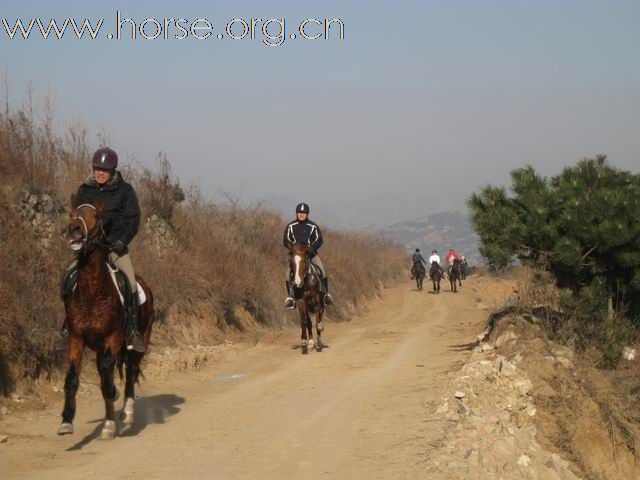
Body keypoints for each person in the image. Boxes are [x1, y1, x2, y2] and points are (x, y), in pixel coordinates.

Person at [62, 147, 145, 353]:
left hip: (115, 248)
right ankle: (68, 323)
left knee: (131, 285)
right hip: (89, 250)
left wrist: (121, 241)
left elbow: (133, 220)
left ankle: (133, 331)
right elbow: (77, 217)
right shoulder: (85, 190)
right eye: (97, 168)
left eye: (104, 170)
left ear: (113, 171)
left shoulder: (125, 191)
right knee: (68, 279)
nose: (100, 173)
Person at [283, 202, 333, 309]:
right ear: (296, 213)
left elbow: (319, 240)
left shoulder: (313, 226)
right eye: (300, 213)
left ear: (307, 214)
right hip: (297, 256)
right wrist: (294, 250)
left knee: (322, 271)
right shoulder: (291, 226)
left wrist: (311, 249)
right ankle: (291, 298)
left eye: (304, 213)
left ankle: (325, 296)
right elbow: (286, 240)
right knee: (288, 274)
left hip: (311, 255)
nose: (301, 214)